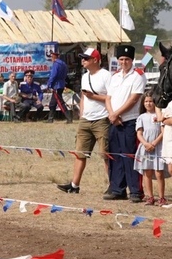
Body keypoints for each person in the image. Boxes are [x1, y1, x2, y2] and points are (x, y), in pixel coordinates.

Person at [57, 48, 112, 194]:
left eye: (86, 58)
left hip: (102, 119)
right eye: (82, 58)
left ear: (95, 60)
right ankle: (74, 185)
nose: (83, 60)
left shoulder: (106, 76)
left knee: (106, 154)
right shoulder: (84, 76)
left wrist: (94, 97)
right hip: (86, 119)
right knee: (80, 153)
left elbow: (110, 98)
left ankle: (114, 185)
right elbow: (83, 96)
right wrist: (82, 114)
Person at [104, 44, 146, 202]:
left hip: (129, 121)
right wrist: (111, 114)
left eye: (127, 59)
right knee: (115, 156)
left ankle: (135, 190)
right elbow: (108, 98)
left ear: (132, 60)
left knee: (130, 155)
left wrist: (117, 113)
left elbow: (134, 98)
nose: (123, 62)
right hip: (114, 121)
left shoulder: (138, 76)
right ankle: (117, 188)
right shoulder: (114, 77)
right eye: (121, 59)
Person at [134, 94, 166, 205]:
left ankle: (162, 197)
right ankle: (150, 197)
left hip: (158, 147)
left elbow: (163, 131)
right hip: (145, 149)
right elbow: (139, 133)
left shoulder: (160, 116)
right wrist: (145, 144)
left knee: (159, 173)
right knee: (147, 172)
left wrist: (154, 143)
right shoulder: (141, 117)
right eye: (146, 101)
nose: (148, 103)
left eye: (151, 101)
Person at [46, 48, 70, 123]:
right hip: (62, 84)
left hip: (56, 85)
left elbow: (53, 75)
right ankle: (50, 118)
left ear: (53, 57)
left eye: (51, 57)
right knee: (53, 103)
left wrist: (49, 84)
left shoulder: (56, 64)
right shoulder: (64, 64)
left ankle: (69, 117)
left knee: (60, 102)